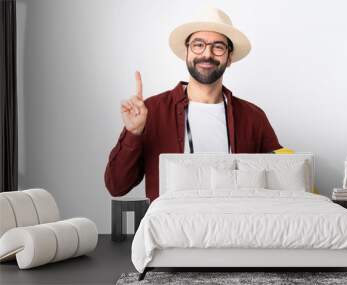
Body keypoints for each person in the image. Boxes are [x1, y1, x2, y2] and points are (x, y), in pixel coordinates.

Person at [104, 7, 286, 202]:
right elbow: (116, 186)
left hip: (235, 227)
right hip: (171, 229)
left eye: (218, 46)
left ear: (229, 58)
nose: (207, 54)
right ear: (187, 53)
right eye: (198, 45)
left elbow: (282, 179)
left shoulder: (253, 117)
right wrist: (134, 133)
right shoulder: (152, 111)